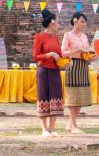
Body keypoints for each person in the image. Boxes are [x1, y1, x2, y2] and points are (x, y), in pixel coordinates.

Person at [33, 9, 64, 137]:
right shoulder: (39, 37)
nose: (59, 25)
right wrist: (49, 54)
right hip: (44, 71)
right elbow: (35, 57)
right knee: (43, 98)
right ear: (51, 22)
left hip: (55, 72)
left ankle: (52, 129)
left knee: (56, 99)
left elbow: (60, 56)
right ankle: (44, 129)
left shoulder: (56, 38)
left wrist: (67, 62)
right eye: (57, 22)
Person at [61, 12, 94, 134]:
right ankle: (74, 126)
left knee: (81, 96)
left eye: (85, 22)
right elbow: (63, 52)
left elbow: (87, 51)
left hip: (84, 66)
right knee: (73, 96)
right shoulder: (67, 35)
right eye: (82, 21)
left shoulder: (84, 37)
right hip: (72, 65)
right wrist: (75, 51)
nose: (84, 24)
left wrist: (90, 56)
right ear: (75, 21)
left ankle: (70, 123)